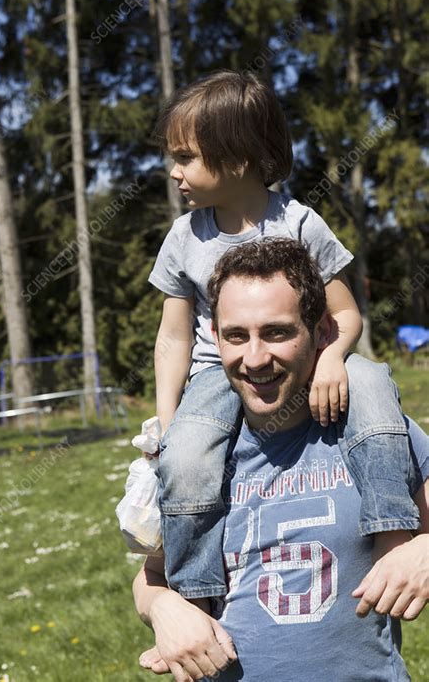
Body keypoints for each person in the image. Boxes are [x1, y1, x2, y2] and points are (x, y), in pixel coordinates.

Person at [148, 70, 418, 602]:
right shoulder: (184, 237)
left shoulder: (301, 223)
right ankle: (196, 592)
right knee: (185, 457)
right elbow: (174, 338)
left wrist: (336, 357)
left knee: (374, 385)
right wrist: (165, 418)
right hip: (216, 375)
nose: (175, 172)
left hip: (313, 357)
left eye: (186, 157)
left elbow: (345, 315)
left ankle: (393, 533)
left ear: (238, 159)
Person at [133, 238, 429, 682]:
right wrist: (163, 609)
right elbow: (152, 575)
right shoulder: (194, 453)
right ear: (214, 339)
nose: (255, 358)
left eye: (277, 332)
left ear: (323, 332)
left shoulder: (377, 432)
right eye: (236, 335)